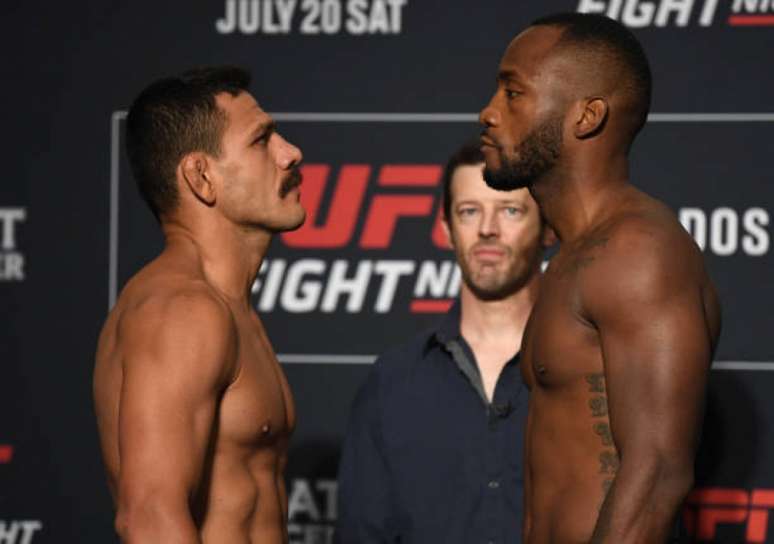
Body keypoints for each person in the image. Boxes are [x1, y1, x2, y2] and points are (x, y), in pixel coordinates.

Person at [479, 12, 722, 543]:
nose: (489, 113)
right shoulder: (576, 256)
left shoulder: (637, 251)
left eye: (513, 93)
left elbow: (658, 473)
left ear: (586, 117)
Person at [93, 66, 304, 543]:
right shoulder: (183, 310)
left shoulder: (226, 307)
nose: (291, 153)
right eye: (261, 140)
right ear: (201, 176)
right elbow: (148, 518)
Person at [336, 142, 554, 543]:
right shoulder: (392, 382)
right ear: (446, 228)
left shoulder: (589, 372)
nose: (488, 228)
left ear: (548, 228)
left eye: (510, 210)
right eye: (469, 211)